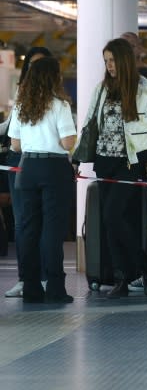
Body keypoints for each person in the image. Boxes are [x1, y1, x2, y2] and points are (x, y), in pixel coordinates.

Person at [77, 38, 147, 298]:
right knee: (111, 221)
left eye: (113, 60)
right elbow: (89, 125)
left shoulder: (146, 88)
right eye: (106, 61)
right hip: (104, 160)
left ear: (124, 60)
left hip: (131, 162)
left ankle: (141, 264)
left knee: (113, 215)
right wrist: (77, 157)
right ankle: (122, 277)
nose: (109, 66)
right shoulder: (101, 89)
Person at [7, 57, 76, 303]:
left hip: (27, 168)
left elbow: (15, 144)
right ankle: (56, 288)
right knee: (52, 230)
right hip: (54, 168)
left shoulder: (21, 105)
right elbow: (69, 142)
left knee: (28, 229)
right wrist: (54, 140)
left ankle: (31, 287)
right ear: (54, 78)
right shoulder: (60, 105)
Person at [3, 46, 52, 298]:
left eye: (41, 65)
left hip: (41, 162)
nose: (36, 70)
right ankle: (25, 278)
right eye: (32, 65)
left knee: (42, 222)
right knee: (23, 222)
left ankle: (43, 277)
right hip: (17, 160)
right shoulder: (22, 92)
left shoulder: (56, 97)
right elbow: (11, 126)